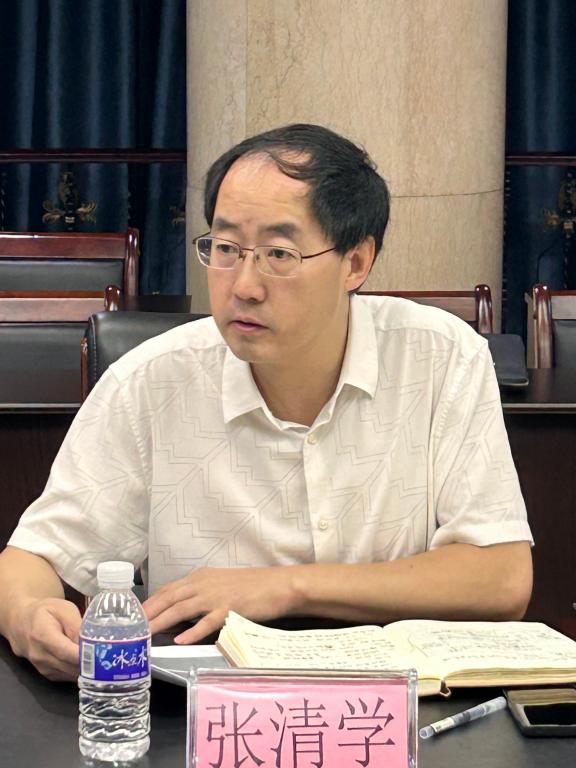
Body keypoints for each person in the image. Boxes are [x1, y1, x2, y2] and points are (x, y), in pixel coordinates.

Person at [0, 124, 533, 681]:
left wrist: (286, 587)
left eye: (279, 253)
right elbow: (32, 559)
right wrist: (30, 615)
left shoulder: (441, 359)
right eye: (226, 249)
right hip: (205, 709)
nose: (244, 286)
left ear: (356, 263)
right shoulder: (150, 382)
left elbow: (501, 576)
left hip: (398, 705)